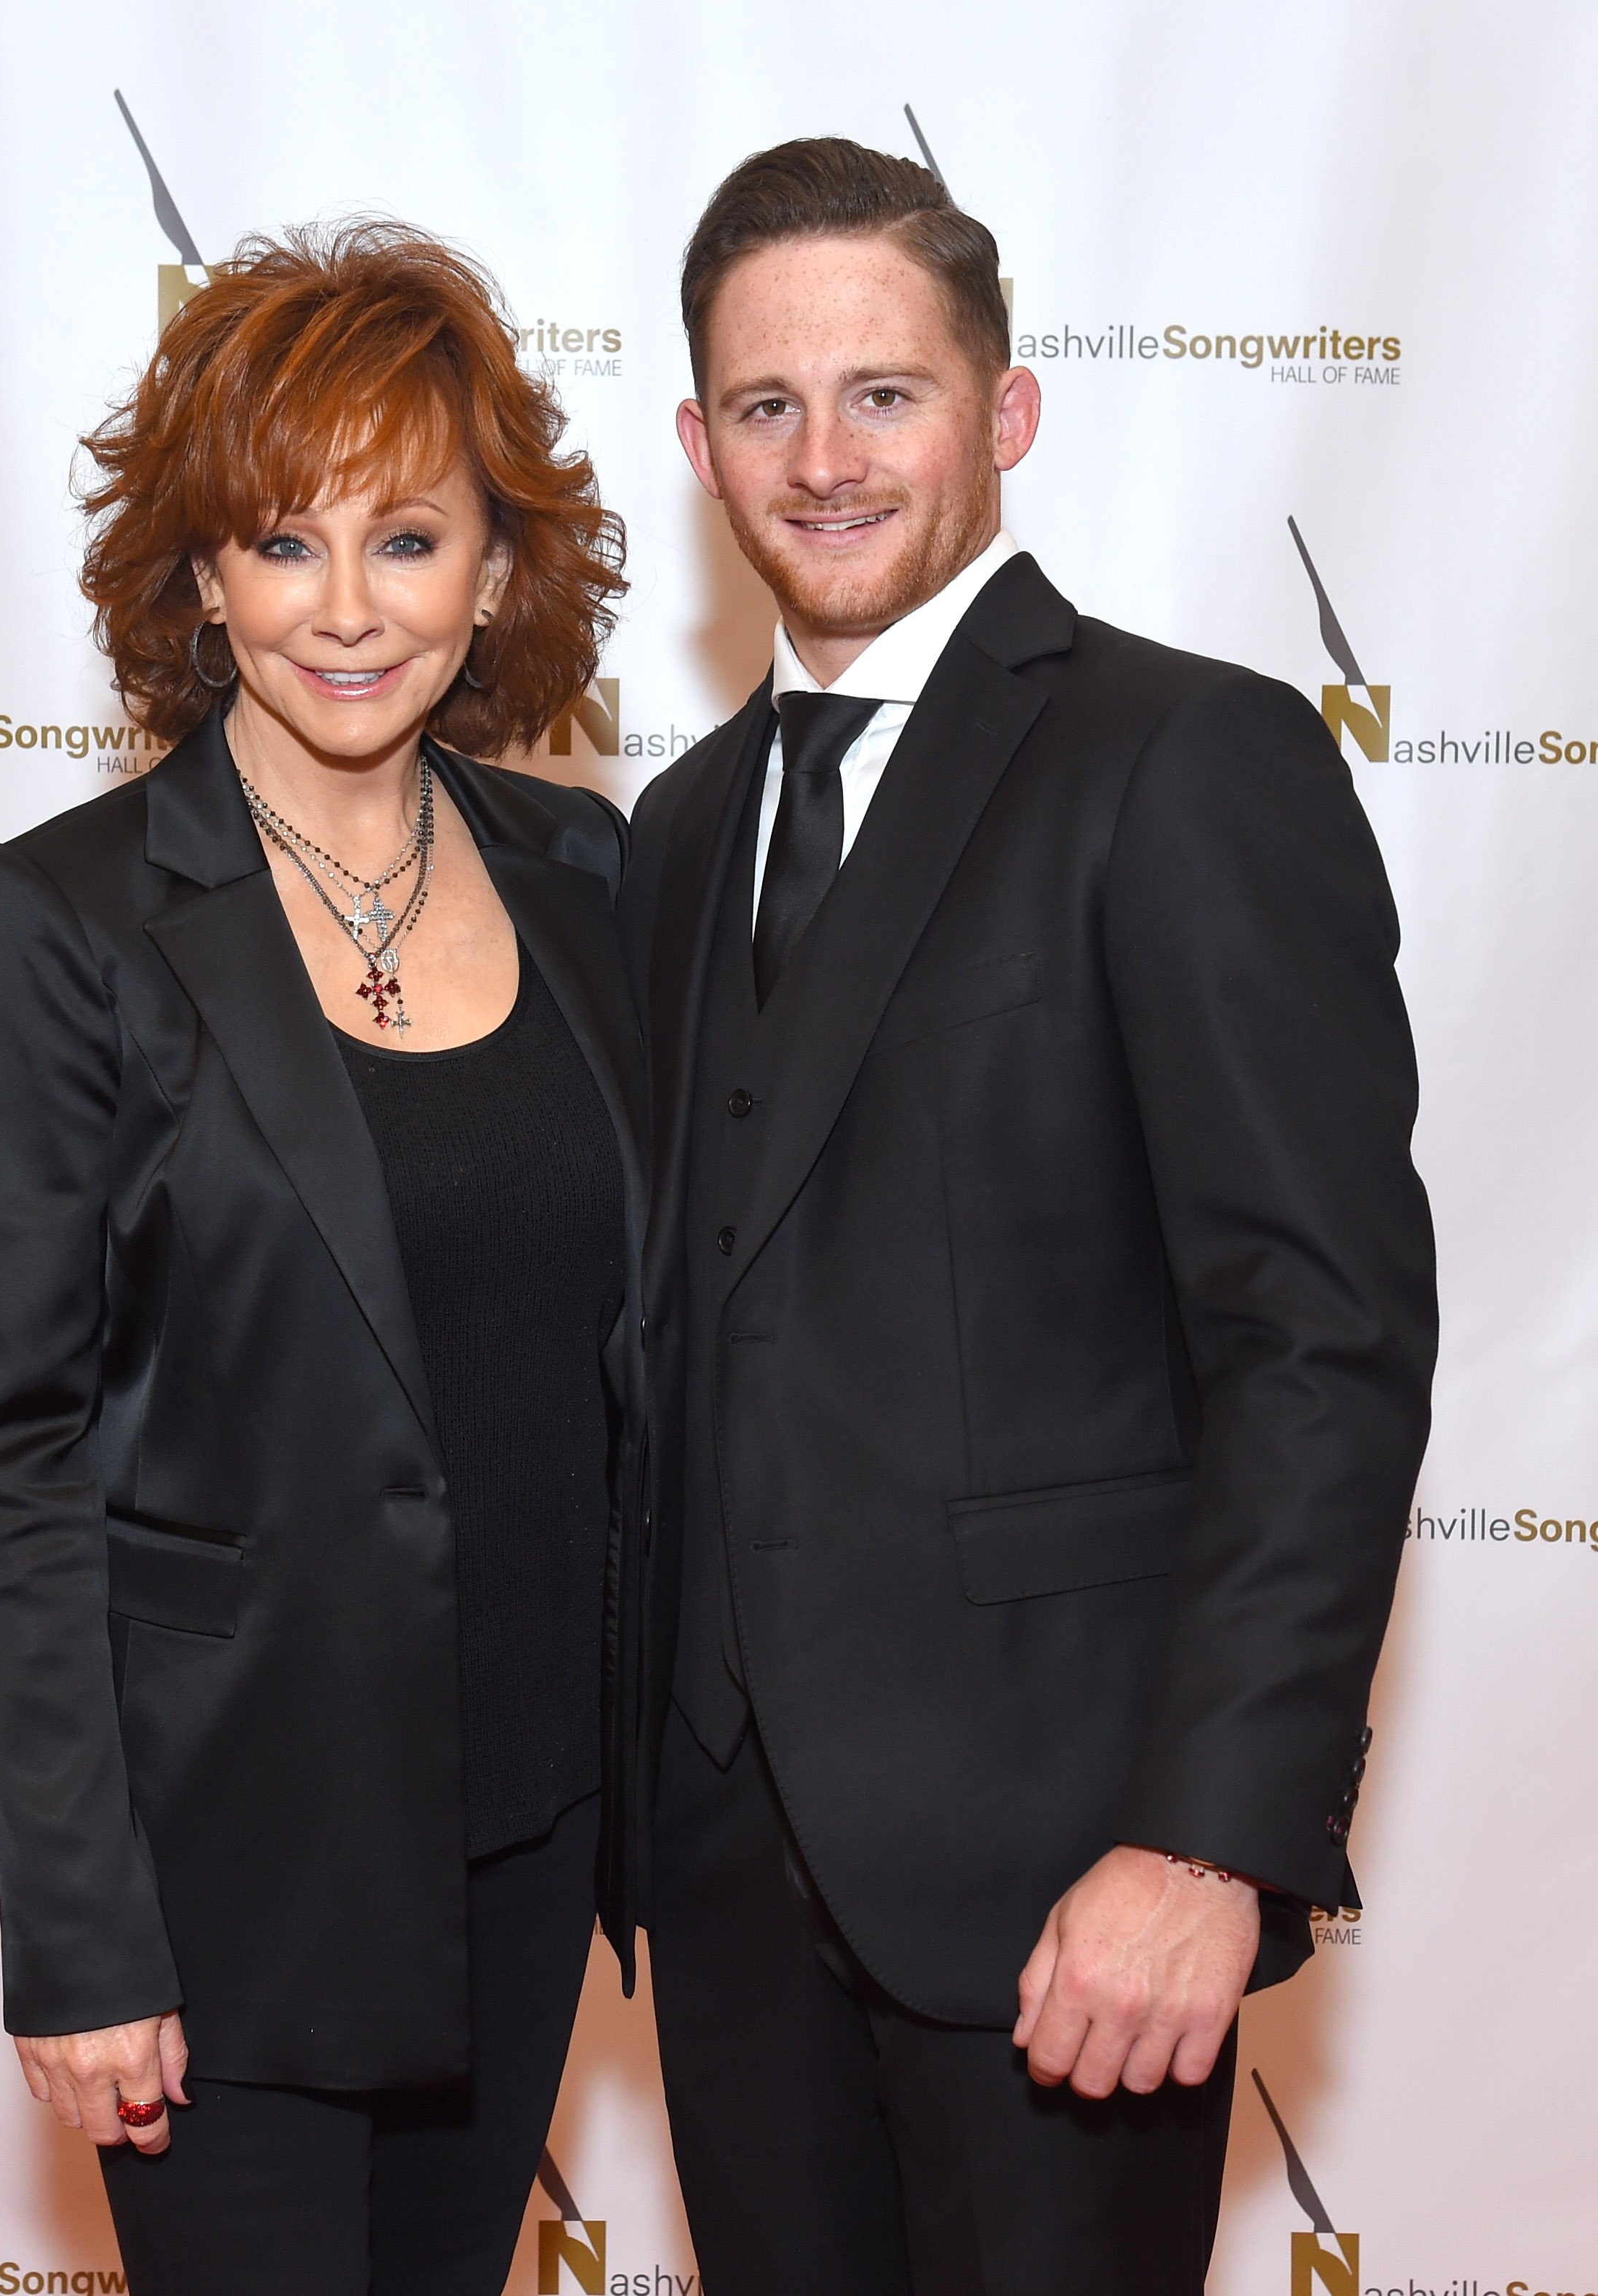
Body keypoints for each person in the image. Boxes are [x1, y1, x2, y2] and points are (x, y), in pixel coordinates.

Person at [617, 139, 1437, 2296]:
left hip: (1071, 1891)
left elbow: (1320, 1336)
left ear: (1007, 411)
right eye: (767, 407)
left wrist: (1209, 1837)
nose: (826, 457)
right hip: (722, 1886)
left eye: (885, 392)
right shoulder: (680, 828)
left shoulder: (1190, 760)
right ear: (698, 442)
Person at [0, 223, 645, 2295]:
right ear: (200, 578)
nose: (347, 609)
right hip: (228, 1890)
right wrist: (82, 1936)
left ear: (496, 572)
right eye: (282, 540)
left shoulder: (586, 877)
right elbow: (22, 1456)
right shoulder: (64, 924)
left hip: (527, 1848)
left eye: (408, 537)